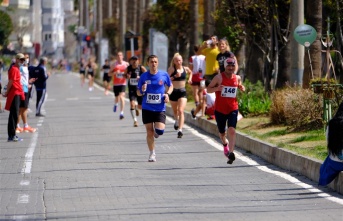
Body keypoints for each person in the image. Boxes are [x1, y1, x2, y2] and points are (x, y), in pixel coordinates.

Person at [207, 57, 245, 164]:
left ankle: (231, 153)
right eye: (228, 65)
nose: (230, 68)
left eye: (232, 65)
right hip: (220, 109)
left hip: (233, 108)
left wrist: (242, 87)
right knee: (222, 133)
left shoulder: (237, 78)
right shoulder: (218, 77)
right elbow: (208, 89)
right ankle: (225, 144)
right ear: (225, 66)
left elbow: (239, 85)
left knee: (232, 130)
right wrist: (217, 89)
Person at [137, 55, 173, 162]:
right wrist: (142, 90)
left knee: (160, 131)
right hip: (147, 107)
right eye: (151, 62)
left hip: (159, 108)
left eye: (155, 62)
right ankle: (152, 153)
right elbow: (138, 93)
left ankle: (157, 132)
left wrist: (167, 94)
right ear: (148, 63)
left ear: (158, 63)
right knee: (149, 132)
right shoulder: (144, 76)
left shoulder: (164, 75)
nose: (153, 64)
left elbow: (170, 86)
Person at [168, 53, 192, 138]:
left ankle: (180, 130)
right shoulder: (171, 69)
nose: (178, 62)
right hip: (173, 91)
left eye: (180, 60)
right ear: (174, 61)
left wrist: (189, 79)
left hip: (182, 91)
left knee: (181, 110)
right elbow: (167, 80)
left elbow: (191, 72)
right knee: (175, 111)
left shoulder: (185, 69)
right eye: (177, 60)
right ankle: (176, 120)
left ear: (182, 60)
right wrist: (174, 76)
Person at [319, 102, 343, 186]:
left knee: (327, 162)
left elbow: (328, 141)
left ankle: (323, 179)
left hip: (334, 162)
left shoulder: (332, 124)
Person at [3, 53, 25, 141]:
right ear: (16, 59)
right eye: (21, 59)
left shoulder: (17, 69)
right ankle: (12, 135)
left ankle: (12, 135)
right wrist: (6, 92)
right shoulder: (14, 69)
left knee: (14, 114)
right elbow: (11, 82)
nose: (22, 61)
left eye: (23, 60)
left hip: (17, 93)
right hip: (14, 93)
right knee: (14, 114)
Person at [16, 53, 37, 133]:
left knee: (24, 107)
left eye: (27, 57)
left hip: (25, 89)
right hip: (21, 89)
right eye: (24, 58)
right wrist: (24, 85)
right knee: (20, 108)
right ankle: (17, 126)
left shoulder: (26, 67)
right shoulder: (20, 67)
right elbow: (18, 78)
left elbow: (23, 78)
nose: (26, 59)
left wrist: (28, 82)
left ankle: (25, 125)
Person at [125, 56, 147, 127]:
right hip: (131, 89)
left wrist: (141, 78)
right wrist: (127, 76)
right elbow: (124, 75)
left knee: (140, 106)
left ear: (138, 61)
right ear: (131, 61)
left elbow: (147, 75)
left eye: (136, 60)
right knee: (132, 104)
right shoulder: (128, 68)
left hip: (139, 89)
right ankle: (135, 120)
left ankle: (137, 108)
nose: (134, 62)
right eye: (133, 60)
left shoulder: (141, 68)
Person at [109, 51, 129, 120]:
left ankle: (121, 113)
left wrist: (127, 75)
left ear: (122, 56)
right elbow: (109, 74)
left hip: (123, 83)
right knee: (117, 98)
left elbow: (130, 72)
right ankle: (116, 104)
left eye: (120, 55)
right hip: (116, 84)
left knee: (121, 97)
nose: (119, 57)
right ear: (116, 57)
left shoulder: (126, 64)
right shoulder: (114, 64)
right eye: (118, 55)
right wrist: (114, 73)